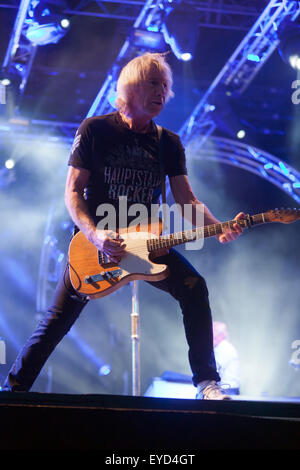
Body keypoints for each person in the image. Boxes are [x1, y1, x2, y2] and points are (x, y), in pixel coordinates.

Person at [2, 52, 244, 399]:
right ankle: (13, 392)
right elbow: (72, 192)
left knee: (194, 288)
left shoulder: (169, 143)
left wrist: (219, 226)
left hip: (147, 244)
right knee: (58, 319)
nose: (162, 91)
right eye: (153, 83)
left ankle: (207, 383)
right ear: (130, 86)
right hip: (97, 244)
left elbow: (187, 200)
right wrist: (95, 234)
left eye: (165, 85)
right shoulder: (96, 130)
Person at [213, 322, 240, 395]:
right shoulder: (223, 347)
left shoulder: (224, 348)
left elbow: (216, 369)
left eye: (213, 332)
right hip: (228, 389)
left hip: (228, 390)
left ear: (221, 335)